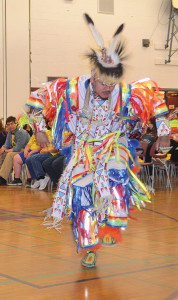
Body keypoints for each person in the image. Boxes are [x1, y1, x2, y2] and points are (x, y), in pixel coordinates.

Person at [35, 13, 171, 268]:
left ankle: (114, 224)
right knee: (83, 198)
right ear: (93, 77)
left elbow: (156, 99)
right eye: (104, 83)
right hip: (83, 150)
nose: (109, 87)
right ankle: (89, 247)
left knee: (118, 172)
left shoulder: (124, 92)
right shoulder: (73, 89)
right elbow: (36, 101)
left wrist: (163, 131)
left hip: (114, 143)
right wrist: (39, 127)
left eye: (113, 82)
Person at [26, 120, 58, 190]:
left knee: (34, 158)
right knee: (28, 159)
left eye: (51, 121)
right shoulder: (47, 132)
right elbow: (43, 144)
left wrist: (47, 150)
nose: (50, 123)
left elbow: (57, 149)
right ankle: (37, 179)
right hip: (45, 152)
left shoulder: (58, 132)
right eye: (48, 122)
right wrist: (43, 149)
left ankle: (42, 177)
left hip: (53, 154)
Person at [0, 116, 30, 186]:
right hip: (16, 151)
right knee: (2, 154)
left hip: (25, 151)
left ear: (16, 123)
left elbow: (18, 148)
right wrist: (2, 149)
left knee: (9, 154)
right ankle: (2, 175)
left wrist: (6, 150)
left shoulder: (21, 132)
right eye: (8, 124)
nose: (10, 126)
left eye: (12, 124)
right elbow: (6, 144)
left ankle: (2, 178)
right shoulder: (10, 133)